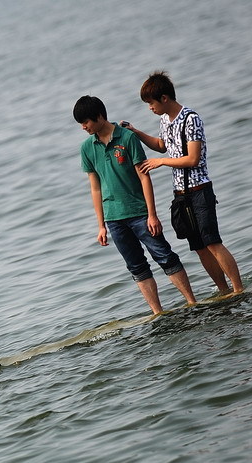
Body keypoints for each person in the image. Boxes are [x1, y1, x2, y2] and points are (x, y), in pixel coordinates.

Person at [123, 71, 244, 294]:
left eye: (151, 103)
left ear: (164, 98)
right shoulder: (164, 120)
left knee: (213, 243)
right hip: (180, 194)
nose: (150, 108)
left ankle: (238, 289)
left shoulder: (191, 118)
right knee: (199, 247)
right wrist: (136, 132)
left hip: (200, 190)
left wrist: (161, 162)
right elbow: (161, 145)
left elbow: (192, 159)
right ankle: (224, 291)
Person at [74, 95, 196, 315]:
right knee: (136, 267)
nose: (83, 127)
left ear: (99, 116)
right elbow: (95, 188)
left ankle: (191, 302)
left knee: (165, 256)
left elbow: (144, 177)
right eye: (81, 123)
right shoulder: (86, 148)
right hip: (114, 218)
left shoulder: (127, 137)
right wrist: (101, 225)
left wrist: (152, 214)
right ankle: (157, 313)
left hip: (140, 213)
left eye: (86, 122)